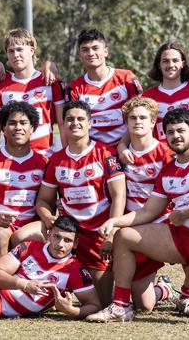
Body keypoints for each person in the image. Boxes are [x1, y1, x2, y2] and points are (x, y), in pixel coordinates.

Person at [86, 108, 189, 324]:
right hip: (181, 238)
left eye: (180, 131)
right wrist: (114, 221)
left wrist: (183, 213)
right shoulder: (168, 171)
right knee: (125, 236)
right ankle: (120, 306)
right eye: (170, 132)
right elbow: (148, 211)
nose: (175, 136)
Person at [35, 100, 126, 306]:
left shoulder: (106, 154)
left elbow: (119, 195)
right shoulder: (56, 159)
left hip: (97, 234)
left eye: (80, 119)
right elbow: (42, 200)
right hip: (68, 235)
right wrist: (48, 217)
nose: (75, 123)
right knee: (25, 235)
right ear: (63, 124)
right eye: (69, 119)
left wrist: (111, 232)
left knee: (101, 303)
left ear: (90, 123)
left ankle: (162, 289)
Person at [0, 101, 48, 264]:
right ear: (3, 129)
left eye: (23, 123)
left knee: (44, 235)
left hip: (31, 224)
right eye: (12, 123)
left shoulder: (44, 162)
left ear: (32, 128)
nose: (18, 128)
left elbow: (47, 203)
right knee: (1, 235)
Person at [0, 28, 64, 157]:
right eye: (11, 51)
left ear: (32, 50)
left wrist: (65, 155)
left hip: (44, 157)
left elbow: (62, 124)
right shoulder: (1, 86)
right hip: (11, 160)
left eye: (19, 49)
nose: (15, 55)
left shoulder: (50, 81)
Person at [66, 29, 143, 146]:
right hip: (92, 152)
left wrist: (122, 145)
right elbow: (73, 126)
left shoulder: (127, 78)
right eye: (85, 50)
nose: (91, 53)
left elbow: (140, 117)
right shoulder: (74, 88)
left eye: (95, 48)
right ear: (80, 55)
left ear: (106, 51)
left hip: (127, 148)